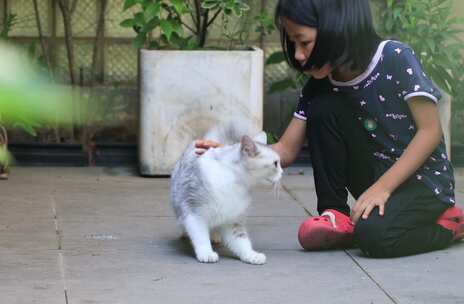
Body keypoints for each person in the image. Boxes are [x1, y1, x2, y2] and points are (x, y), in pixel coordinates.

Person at [195, 0, 463, 258]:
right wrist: (229, 154)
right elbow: (285, 150)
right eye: (293, 44)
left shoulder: (394, 58)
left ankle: (448, 226)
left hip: (422, 185)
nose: (298, 55)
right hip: (375, 184)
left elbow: (430, 132)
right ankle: (336, 215)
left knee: (375, 238)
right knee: (322, 107)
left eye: (305, 42)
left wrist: (382, 188)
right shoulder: (319, 84)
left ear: (339, 27)